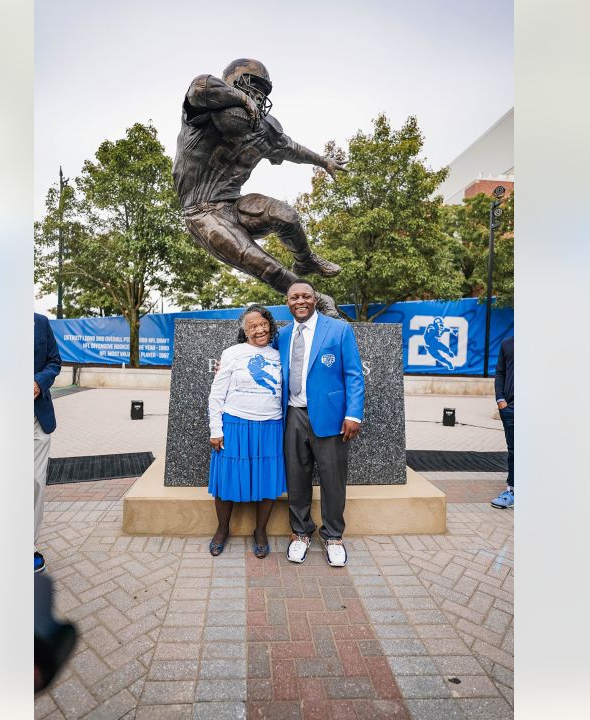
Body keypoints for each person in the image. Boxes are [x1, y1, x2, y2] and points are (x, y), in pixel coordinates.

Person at [172, 58, 347, 316]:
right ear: (232, 83)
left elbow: (292, 149)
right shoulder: (202, 114)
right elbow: (200, 86)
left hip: (234, 203)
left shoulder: (263, 128)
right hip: (202, 213)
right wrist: (242, 101)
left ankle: (305, 260)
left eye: (263, 90)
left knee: (286, 215)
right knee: (262, 263)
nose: (258, 94)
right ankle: (317, 299)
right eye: (252, 85)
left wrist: (323, 162)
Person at [279, 280, 364, 567]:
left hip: (330, 417)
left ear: (315, 299)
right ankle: (300, 533)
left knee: (332, 479)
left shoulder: (338, 329)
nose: (300, 300)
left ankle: (333, 536)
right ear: (287, 302)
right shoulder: (282, 334)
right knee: (296, 478)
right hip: (292, 415)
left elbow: (353, 374)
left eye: (305, 295)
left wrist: (353, 414)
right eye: (294, 297)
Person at [206, 305, 287, 558]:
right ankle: (222, 529)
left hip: (271, 426)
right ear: (245, 330)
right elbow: (216, 394)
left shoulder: (281, 354)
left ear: (270, 326)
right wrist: (215, 428)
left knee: (267, 480)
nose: (259, 329)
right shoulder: (232, 353)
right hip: (236, 425)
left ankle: (260, 531)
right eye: (252, 326)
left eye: (263, 324)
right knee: (226, 478)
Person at [34, 313, 62, 572]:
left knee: (35, 483)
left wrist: (38, 383)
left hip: (35, 417)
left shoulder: (40, 323)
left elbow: (54, 362)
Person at [491, 335, 514, 509]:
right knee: (514, 451)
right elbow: (500, 373)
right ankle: (512, 491)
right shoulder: (507, 343)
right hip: (511, 408)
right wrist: (501, 400)